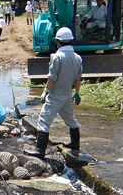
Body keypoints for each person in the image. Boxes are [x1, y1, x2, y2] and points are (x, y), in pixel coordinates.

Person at [24, 27, 82, 159]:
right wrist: (77, 93)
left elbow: (52, 77)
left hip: (55, 96)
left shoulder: (57, 57)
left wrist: (45, 91)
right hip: (67, 95)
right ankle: (75, 144)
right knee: (70, 120)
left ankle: (40, 151)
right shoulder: (77, 58)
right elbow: (77, 78)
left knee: (43, 121)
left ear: (58, 41)